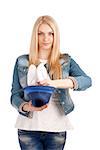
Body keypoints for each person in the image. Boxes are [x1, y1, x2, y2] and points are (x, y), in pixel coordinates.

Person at [11, 15, 92, 150]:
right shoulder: (22, 62)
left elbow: (86, 81)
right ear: (35, 36)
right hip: (28, 129)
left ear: (55, 36)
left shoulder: (65, 61)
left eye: (50, 33)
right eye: (40, 33)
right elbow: (14, 96)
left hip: (57, 128)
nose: (46, 38)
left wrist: (54, 83)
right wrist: (26, 106)